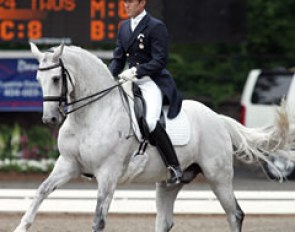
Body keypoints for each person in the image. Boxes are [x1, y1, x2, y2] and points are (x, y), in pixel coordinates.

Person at [108, 0, 183, 184]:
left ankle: (174, 166)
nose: (126, 5)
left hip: (151, 81)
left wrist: (136, 71)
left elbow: (160, 60)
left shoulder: (155, 26)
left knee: (149, 122)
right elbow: (118, 59)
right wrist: (108, 77)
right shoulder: (124, 27)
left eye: (130, 2)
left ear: (142, 3)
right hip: (129, 80)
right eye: (124, 2)